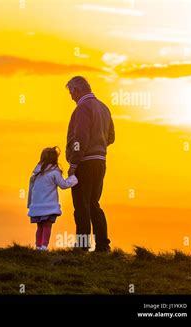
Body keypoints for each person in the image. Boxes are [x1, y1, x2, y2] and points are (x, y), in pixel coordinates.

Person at [65, 76, 115, 252]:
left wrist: (74, 163)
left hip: (84, 163)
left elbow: (80, 138)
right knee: (94, 203)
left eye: (71, 93)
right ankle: (103, 245)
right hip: (100, 162)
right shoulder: (104, 108)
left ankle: (82, 245)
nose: (71, 97)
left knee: (81, 205)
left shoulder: (82, 108)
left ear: (77, 90)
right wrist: (98, 146)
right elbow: (111, 137)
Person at [27, 147, 78, 251]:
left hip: (37, 206)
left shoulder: (36, 174)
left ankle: (38, 247)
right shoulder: (54, 173)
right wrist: (73, 178)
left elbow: (31, 191)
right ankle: (44, 247)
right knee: (47, 226)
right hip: (49, 206)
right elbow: (63, 185)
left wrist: (30, 205)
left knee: (40, 227)